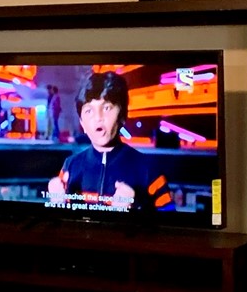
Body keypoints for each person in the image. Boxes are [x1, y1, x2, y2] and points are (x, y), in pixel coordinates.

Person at [46, 72, 167, 212]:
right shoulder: (71, 166)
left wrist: (136, 209)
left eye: (107, 108)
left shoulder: (149, 170)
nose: (98, 118)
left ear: (122, 115)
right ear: (82, 124)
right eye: (89, 111)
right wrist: (57, 205)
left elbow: (171, 229)